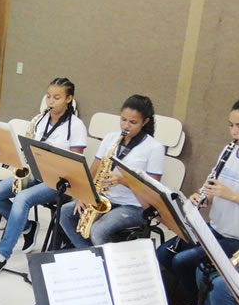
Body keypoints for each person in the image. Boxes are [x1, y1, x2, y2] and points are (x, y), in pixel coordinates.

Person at [157, 86, 239, 305]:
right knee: (165, 254)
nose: (234, 132)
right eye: (231, 125)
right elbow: (213, 185)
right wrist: (203, 196)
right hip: (216, 227)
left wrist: (231, 196)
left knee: (184, 261)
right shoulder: (230, 150)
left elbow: (229, 193)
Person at [0, 77, 88, 277]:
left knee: (22, 198)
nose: (50, 102)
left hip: (61, 182)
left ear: (69, 99)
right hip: (36, 173)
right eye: (48, 96)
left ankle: (2, 254)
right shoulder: (40, 120)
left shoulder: (76, 126)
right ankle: (28, 227)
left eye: (57, 97)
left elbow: (76, 165)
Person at [60, 94, 164, 249]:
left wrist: (123, 181)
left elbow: (152, 189)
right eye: (123, 119)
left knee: (98, 230)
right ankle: (90, 254)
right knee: (65, 212)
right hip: (106, 198)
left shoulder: (154, 148)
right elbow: (93, 171)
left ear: (145, 122)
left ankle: (109, 260)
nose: (126, 126)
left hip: (135, 206)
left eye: (133, 122)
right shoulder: (110, 138)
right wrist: (84, 195)